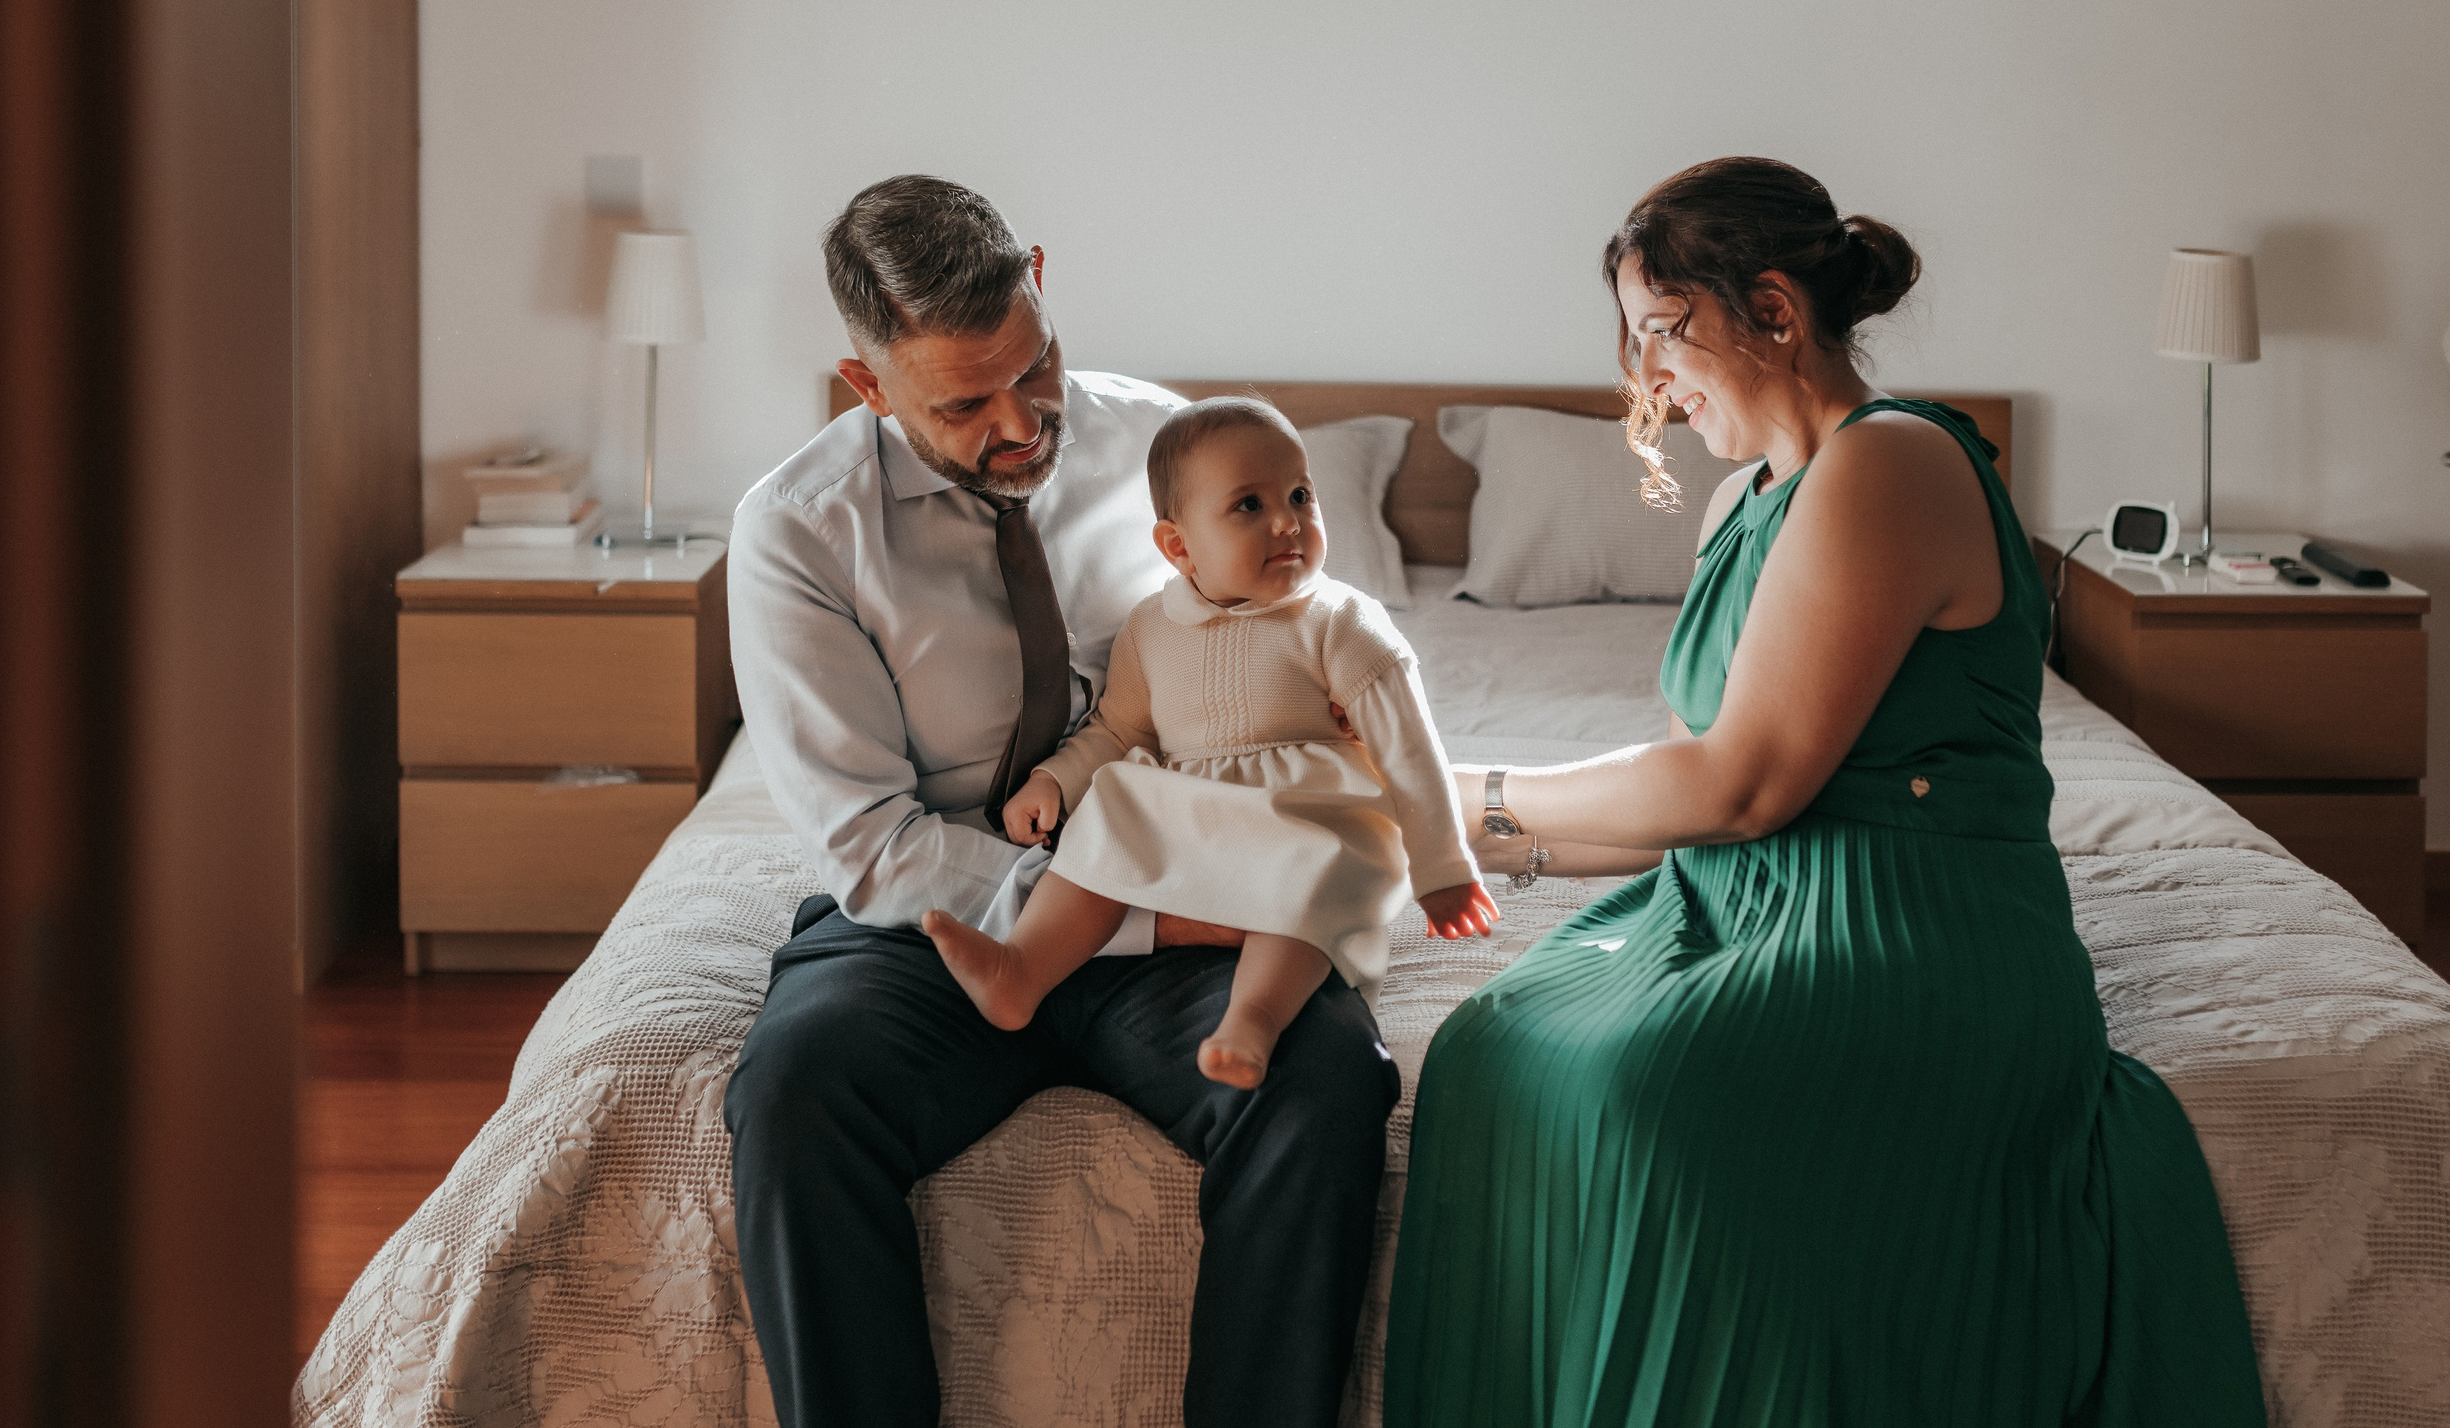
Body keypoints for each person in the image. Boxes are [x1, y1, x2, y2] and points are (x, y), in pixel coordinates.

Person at [1385, 158, 2266, 1426]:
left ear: (1777, 311)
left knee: (1653, 1089)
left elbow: (1736, 784)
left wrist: (1443, 790)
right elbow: (1685, 802)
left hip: (1910, 925)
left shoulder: (1890, 461)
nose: (1646, 382)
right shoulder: (1741, 499)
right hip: (1742, 901)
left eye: (1660, 335)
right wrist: (1450, 834)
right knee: (1487, 1044)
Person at [722, 176, 1401, 1428]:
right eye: (964, 403)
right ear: (868, 385)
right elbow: (871, 844)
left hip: (1189, 870)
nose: (1022, 424)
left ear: (1039, 273)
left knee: (1324, 1073)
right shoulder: (799, 534)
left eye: (1033, 371)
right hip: (938, 920)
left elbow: (1302, 646)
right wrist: (1145, 918)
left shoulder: (1177, 450)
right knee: (794, 1089)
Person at [924, 395, 1500, 1088]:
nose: (1288, 520)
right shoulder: (1151, 627)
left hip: (1304, 819)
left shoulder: (1341, 621)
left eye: (1300, 494)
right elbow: (1118, 731)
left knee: (1316, 873)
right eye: (1249, 506)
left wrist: (1442, 869)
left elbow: (1412, 749)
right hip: (1197, 829)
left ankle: (1251, 1020)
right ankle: (1021, 968)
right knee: (1115, 801)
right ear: (1178, 545)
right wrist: (1055, 779)